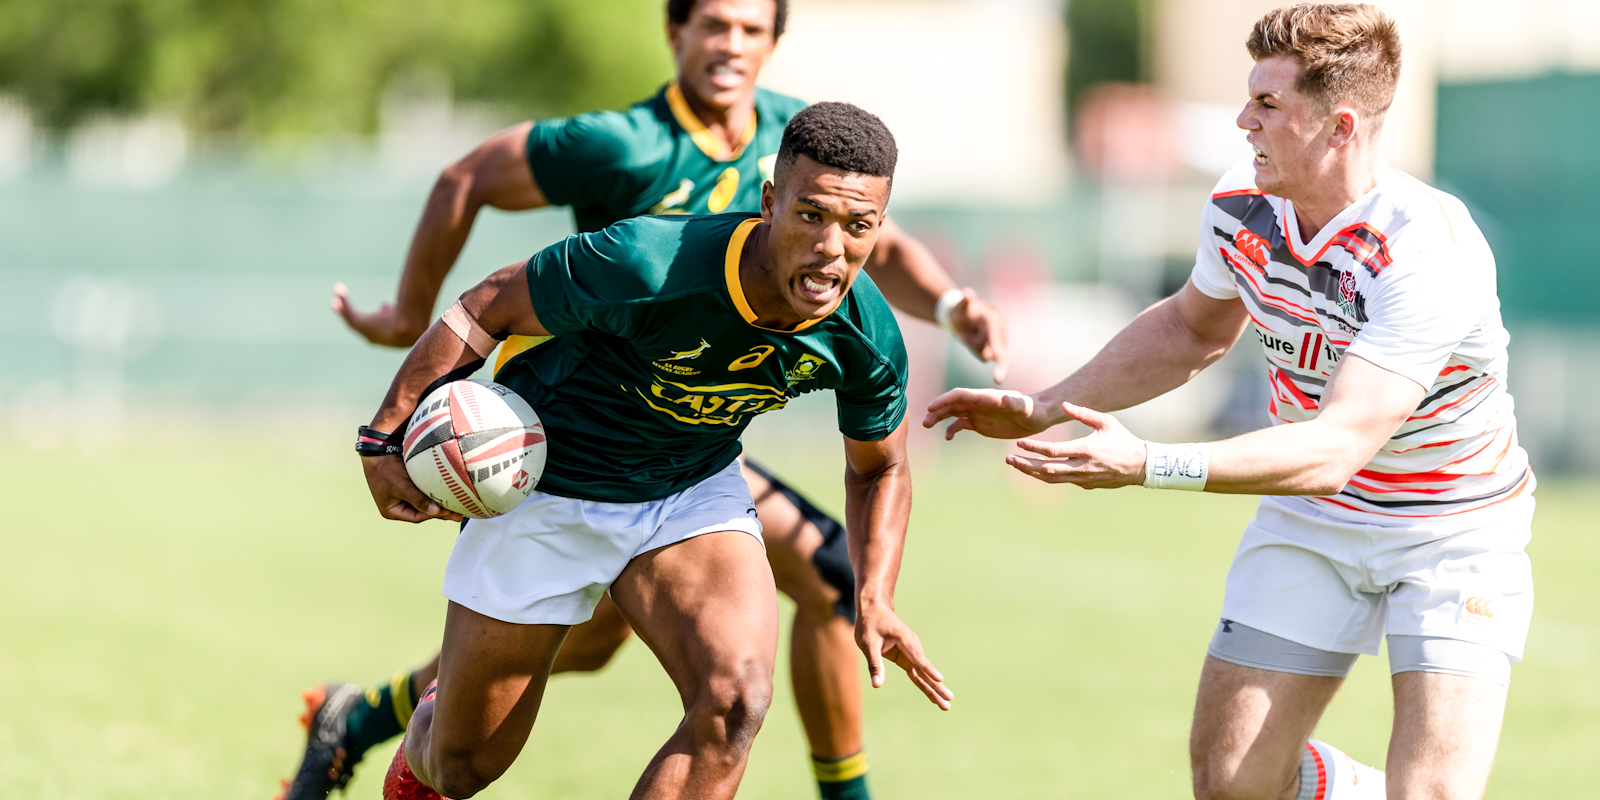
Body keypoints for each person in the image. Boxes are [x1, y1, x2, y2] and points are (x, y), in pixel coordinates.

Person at [282, 2, 1005, 798]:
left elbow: (880, 469)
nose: (832, 251)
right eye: (810, 217)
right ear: (770, 201)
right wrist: (386, 433)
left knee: (736, 700)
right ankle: (405, 718)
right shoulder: (647, 257)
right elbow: (490, 301)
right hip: (551, 478)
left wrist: (874, 592)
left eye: (857, 226)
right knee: (461, 763)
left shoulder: (864, 331)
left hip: (689, 490)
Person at [924, 5, 1532, 799]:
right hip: (1318, 522)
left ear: (1339, 125)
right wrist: (1046, 404)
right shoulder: (1242, 203)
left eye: (1268, 106)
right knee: (1230, 785)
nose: (1244, 121)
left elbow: (1335, 447)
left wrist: (1146, 462)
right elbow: (1189, 329)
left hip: (1451, 531)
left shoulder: (1425, 251)